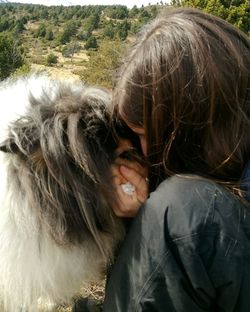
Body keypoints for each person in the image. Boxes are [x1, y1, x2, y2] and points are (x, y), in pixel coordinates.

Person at [103, 7, 250, 311]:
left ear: (192, 130)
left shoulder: (185, 213)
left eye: (146, 136)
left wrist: (148, 224)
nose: (143, 153)